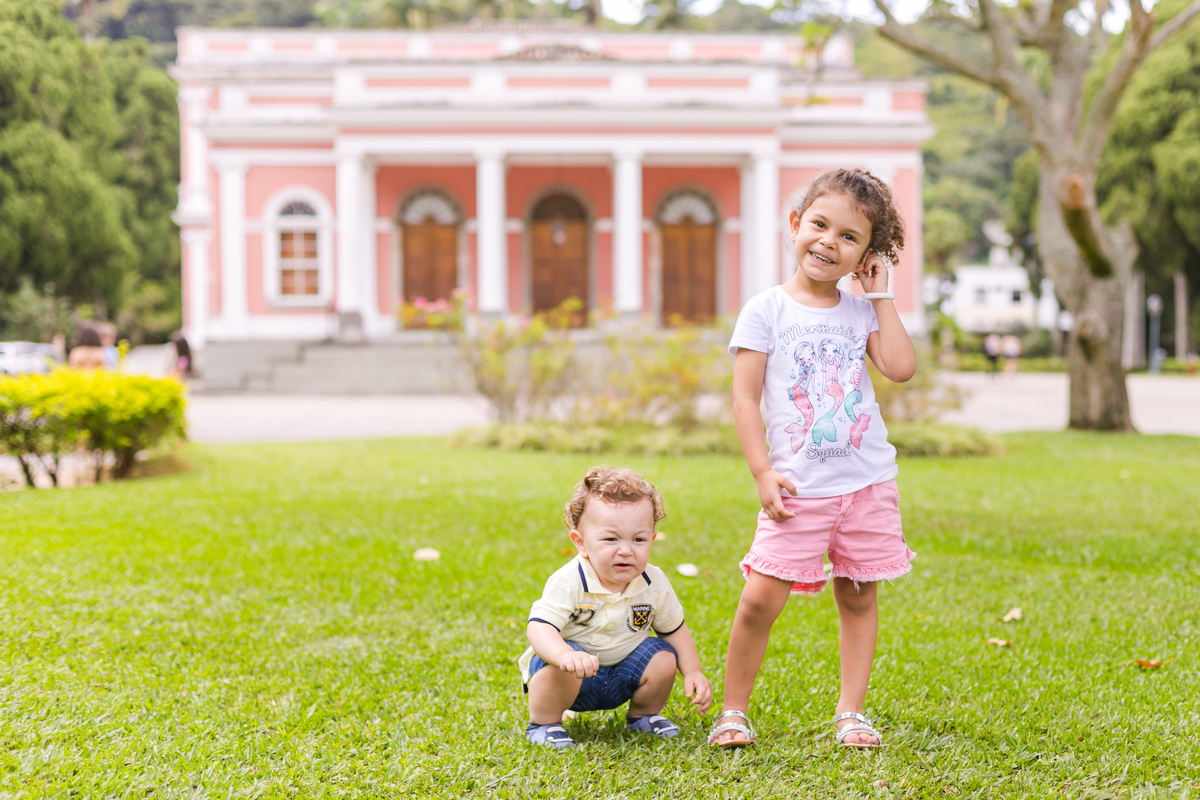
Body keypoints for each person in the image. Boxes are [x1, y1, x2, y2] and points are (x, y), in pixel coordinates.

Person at [710, 168, 917, 750]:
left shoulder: (861, 310)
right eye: (820, 225)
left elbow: (900, 367)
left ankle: (850, 713)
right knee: (759, 599)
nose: (829, 241)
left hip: (867, 483)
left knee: (858, 595)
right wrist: (761, 472)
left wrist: (880, 295)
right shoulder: (766, 310)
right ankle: (733, 711)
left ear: (865, 255)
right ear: (796, 225)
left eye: (849, 237)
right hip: (799, 487)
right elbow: (744, 399)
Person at [520, 467, 713, 749]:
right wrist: (563, 655)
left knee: (663, 656)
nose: (626, 550)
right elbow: (539, 627)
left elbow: (675, 630)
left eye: (638, 539)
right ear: (581, 543)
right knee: (555, 668)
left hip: (623, 675)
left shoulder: (653, 582)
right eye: (611, 539)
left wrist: (693, 670)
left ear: (652, 538)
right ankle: (545, 723)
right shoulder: (570, 580)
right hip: (571, 676)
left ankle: (644, 715)